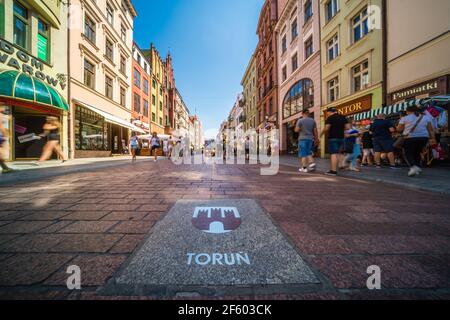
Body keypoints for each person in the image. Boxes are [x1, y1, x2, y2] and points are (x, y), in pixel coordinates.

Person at [397, 105, 436, 177]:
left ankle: (413, 167)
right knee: (417, 152)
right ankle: (417, 167)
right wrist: (432, 139)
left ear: (408, 111)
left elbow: (399, 129)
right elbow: (430, 130)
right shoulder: (426, 117)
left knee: (408, 153)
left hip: (410, 138)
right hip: (423, 137)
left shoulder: (405, 118)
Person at [321, 108, 350, 176]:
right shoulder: (343, 117)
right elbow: (348, 127)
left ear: (330, 112)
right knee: (340, 152)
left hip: (333, 137)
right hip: (341, 138)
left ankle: (333, 171)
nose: (327, 114)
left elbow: (327, 128)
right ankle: (341, 165)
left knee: (334, 154)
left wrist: (322, 133)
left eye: (327, 113)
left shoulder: (330, 118)